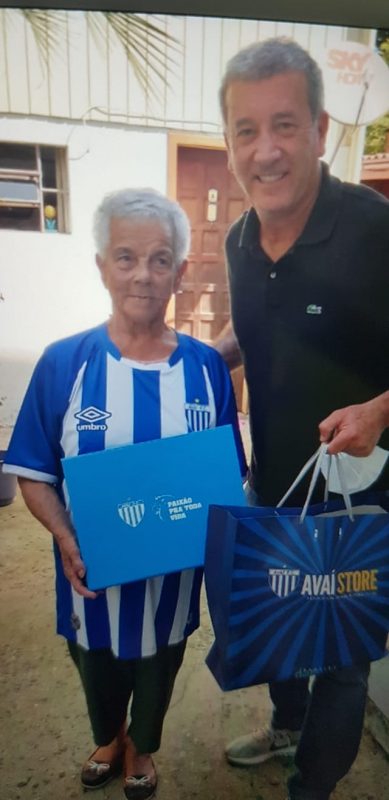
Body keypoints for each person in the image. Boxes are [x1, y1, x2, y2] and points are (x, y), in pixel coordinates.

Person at [4, 188, 246, 800]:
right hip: (91, 581)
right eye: (126, 257)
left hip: (172, 584)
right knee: (96, 667)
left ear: (181, 273)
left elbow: (223, 473)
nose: (144, 274)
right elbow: (33, 468)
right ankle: (110, 736)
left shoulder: (206, 369)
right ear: (102, 266)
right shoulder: (65, 364)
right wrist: (63, 535)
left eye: (161, 259)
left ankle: (140, 746)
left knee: (160, 665)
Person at [215, 37, 389, 800]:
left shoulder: (371, 229)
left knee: (344, 656)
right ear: (228, 144)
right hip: (273, 483)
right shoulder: (238, 239)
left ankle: (309, 789)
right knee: (278, 623)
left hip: (361, 493)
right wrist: (188, 360)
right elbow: (254, 331)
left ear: (320, 131)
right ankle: (286, 725)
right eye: (245, 130)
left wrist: (379, 409)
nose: (266, 150)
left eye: (283, 125)